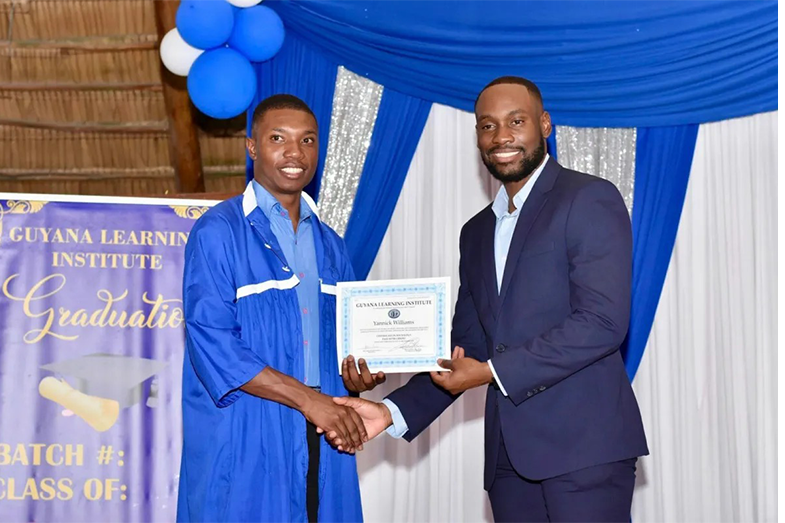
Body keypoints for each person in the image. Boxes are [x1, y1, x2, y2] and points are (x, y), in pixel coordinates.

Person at [337, 77, 648, 522]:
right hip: (507, 460)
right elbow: (469, 347)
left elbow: (602, 322)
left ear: (544, 124)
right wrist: (389, 412)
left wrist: (490, 372)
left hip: (585, 450)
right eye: (488, 125)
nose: (501, 136)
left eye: (516, 121)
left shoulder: (588, 197)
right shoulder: (476, 231)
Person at [177, 94, 367, 523]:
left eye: (307, 140)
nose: (294, 153)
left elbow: (347, 339)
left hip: (325, 430)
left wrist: (358, 374)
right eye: (278, 138)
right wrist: (308, 400)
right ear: (252, 147)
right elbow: (215, 344)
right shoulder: (218, 232)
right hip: (248, 426)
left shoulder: (332, 245)